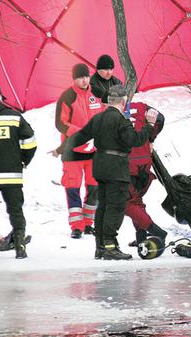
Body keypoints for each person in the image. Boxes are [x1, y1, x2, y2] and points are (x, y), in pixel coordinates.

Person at [65, 85, 155, 260]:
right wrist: (149, 126)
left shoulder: (98, 118)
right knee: (115, 207)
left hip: (99, 166)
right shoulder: (121, 120)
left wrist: (64, 149)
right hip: (117, 167)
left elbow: (80, 136)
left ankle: (100, 246)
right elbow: (134, 140)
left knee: (103, 206)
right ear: (123, 101)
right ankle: (110, 246)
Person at [55, 63, 104, 239]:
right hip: (72, 151)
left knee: (94, 188)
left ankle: (88, 223)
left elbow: (106, 116)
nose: (84, 80)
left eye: (86, 77)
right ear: (74, 79)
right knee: (72, 188)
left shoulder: (97, 93)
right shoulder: (67, 96)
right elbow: (60, 123)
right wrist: (83, 134)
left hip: (94, 151)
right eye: (80, 77)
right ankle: (76, 226)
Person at [0, 86, 37, 259]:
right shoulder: (13, 116)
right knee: (16, 210)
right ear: (0, 98)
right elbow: (30, 142)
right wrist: (23, 160)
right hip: (12, 174)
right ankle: (20, 247)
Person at [124, 102, 168, 247]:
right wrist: (151, 138)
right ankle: (141, 237)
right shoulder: (141, 107)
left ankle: (156, 231)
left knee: (126, 203)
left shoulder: (111, 112)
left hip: (128, 163)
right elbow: (160, 118)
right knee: (136, 201)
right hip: (143, 160)